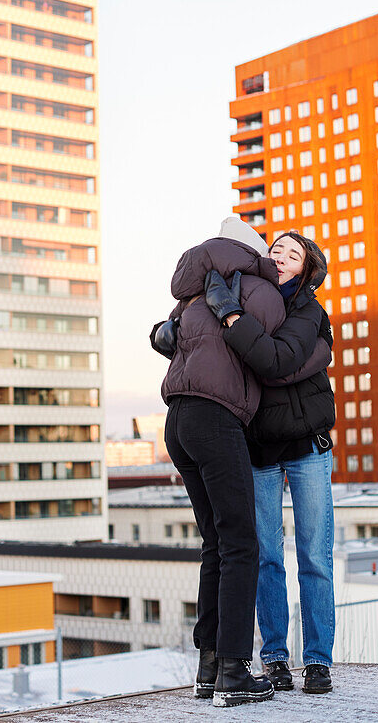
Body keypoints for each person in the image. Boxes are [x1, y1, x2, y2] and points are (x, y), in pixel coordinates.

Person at [150, 216, 284, 707]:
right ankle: (234, 673)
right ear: (253, 253)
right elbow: (266, 355)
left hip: (177, 422)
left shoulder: (189, 294)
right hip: (216, 419)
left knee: (215, 544)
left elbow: (169, 341)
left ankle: (208, 668)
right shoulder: (257, 290)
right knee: (241, 545)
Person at [203, 230, 336, 695]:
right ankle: (275, 658)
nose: (280, 255)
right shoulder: (251, 297)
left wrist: (237, 324)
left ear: (307, 267)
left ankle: (318, 662)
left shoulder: (307, 308)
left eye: (292, 252)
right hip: (258, 444)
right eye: (275, 249)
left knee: (315, 557)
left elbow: (273, 362)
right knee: (265, 560)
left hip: (306, 445)